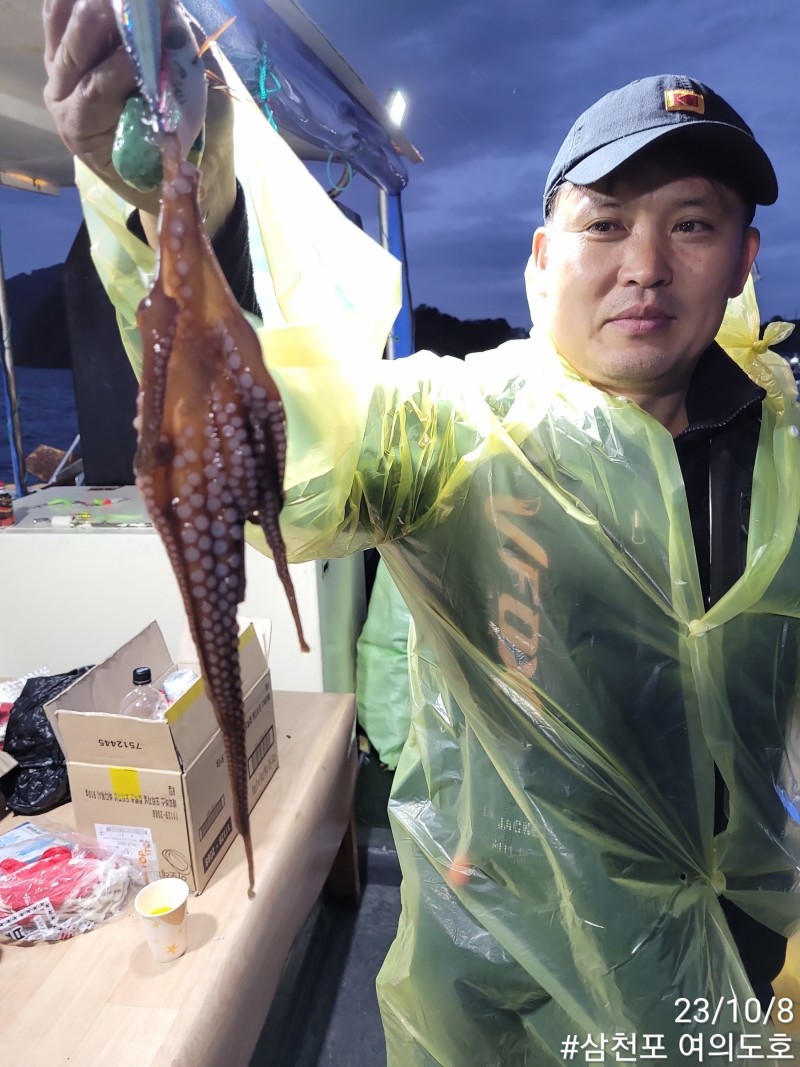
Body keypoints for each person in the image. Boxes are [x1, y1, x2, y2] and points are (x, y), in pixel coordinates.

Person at [43, 3, 800, 1061]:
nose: (644, 264)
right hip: (508, 967)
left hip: (744, 942)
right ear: (543, 256)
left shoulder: (784, 442)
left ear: (742, 258)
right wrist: (185, 205)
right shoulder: (458, 425)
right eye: (603, 224)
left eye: (691, 224)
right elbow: (302, 448)